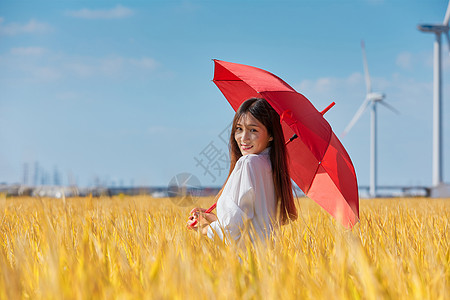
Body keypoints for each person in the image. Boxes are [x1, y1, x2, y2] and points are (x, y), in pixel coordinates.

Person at [188, 97, 297, 243]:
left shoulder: (248, 163)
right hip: (267, 261)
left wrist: (205, 228)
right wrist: (211, 218)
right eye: (239, 129)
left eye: (253, 130)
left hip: (243, 262)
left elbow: (232, 232)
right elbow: (249, 223)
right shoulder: (271, 167)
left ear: (271, 135)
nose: (243, 138)